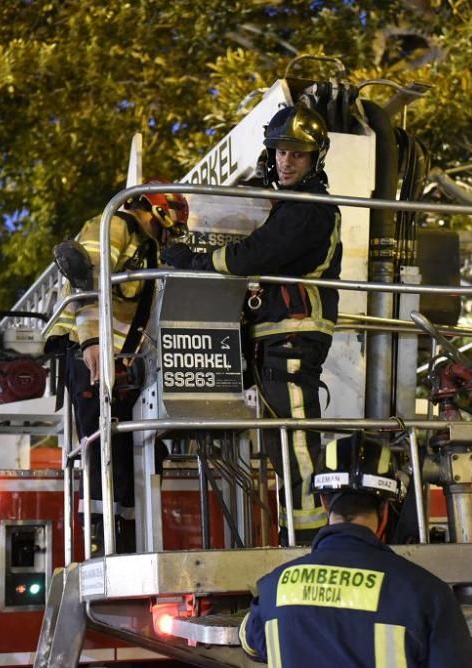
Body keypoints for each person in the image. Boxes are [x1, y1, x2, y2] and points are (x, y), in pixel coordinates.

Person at [162, 105, 342, 543]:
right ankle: (296, 530)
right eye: (280, 151)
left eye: (297, 154)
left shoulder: (310, 208)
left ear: (315, 158)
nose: (286, 161)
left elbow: (253, 255)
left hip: (294, 331)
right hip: (279, 333)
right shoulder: (288, 204)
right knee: (286, 439)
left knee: (296, 437)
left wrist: (197, 260)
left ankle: (311, 539)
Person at [239, 433, 472, 667]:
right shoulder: (428, 596)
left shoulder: (273, 589)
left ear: (323, 501)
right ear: (385, 507)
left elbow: (250, 642)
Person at [46, 182, 189, 554]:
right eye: (170, 228)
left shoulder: (145, 247)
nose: (169, 237)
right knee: (101, 449)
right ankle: (100, 540)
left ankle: (124, 537)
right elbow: (85, 281)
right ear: (160, 213)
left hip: (115, 360)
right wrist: (93, 342)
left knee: (120, 450)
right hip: (87, 353)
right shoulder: (114, 226)